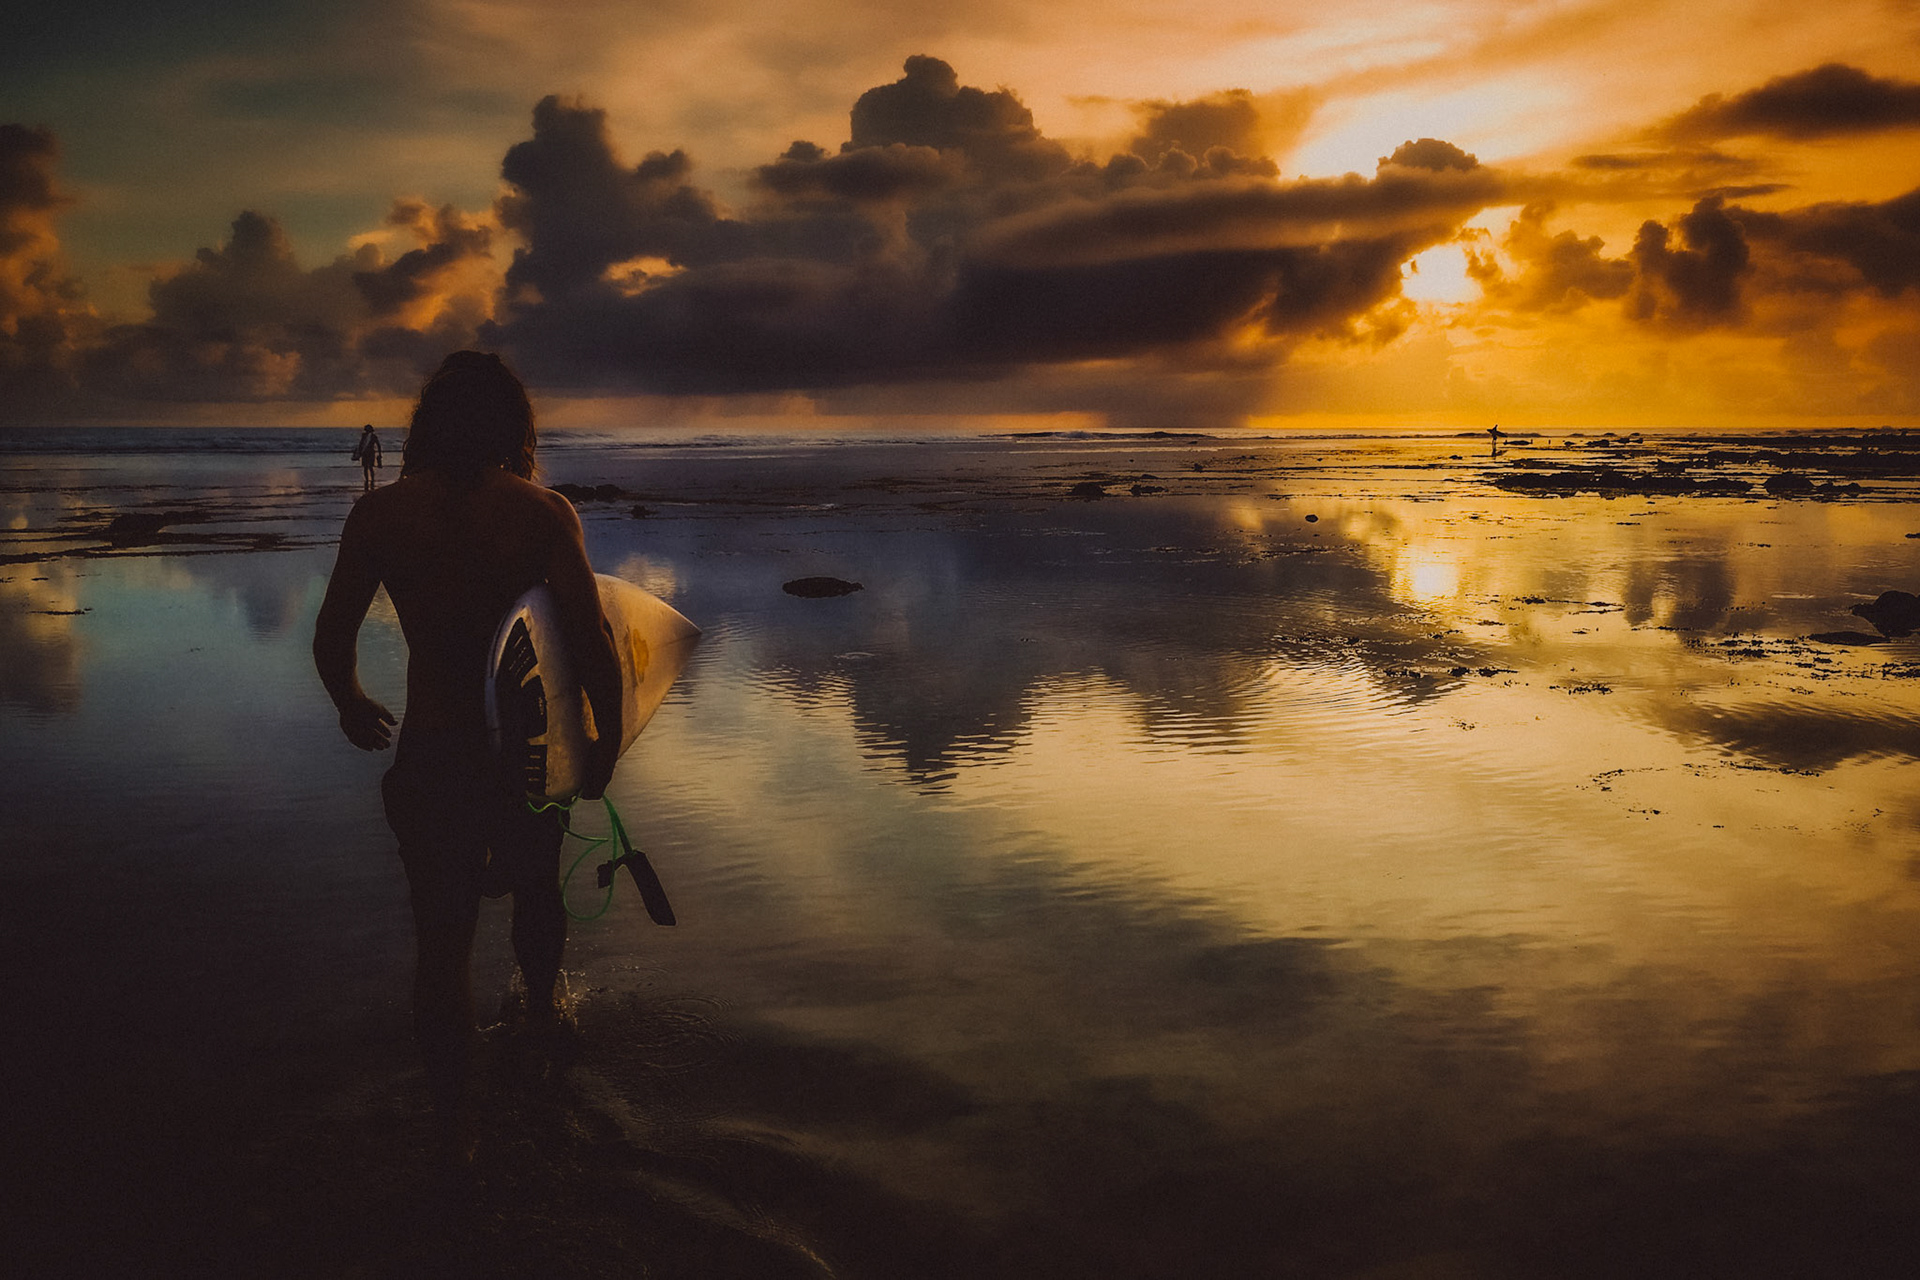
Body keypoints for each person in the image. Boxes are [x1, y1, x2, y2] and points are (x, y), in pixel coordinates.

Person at [313, 352, 621, 1145]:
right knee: (539, 893)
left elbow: (332, 633)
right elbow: (590, 641)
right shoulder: (543, 512)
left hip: (433, 753)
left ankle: (454, 1119)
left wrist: (350, 701)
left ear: (428, 424)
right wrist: (605, 738)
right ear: (512, 425)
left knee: (441, 939)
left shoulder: (380, 517)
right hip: (526, 756)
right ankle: (541, 1019)